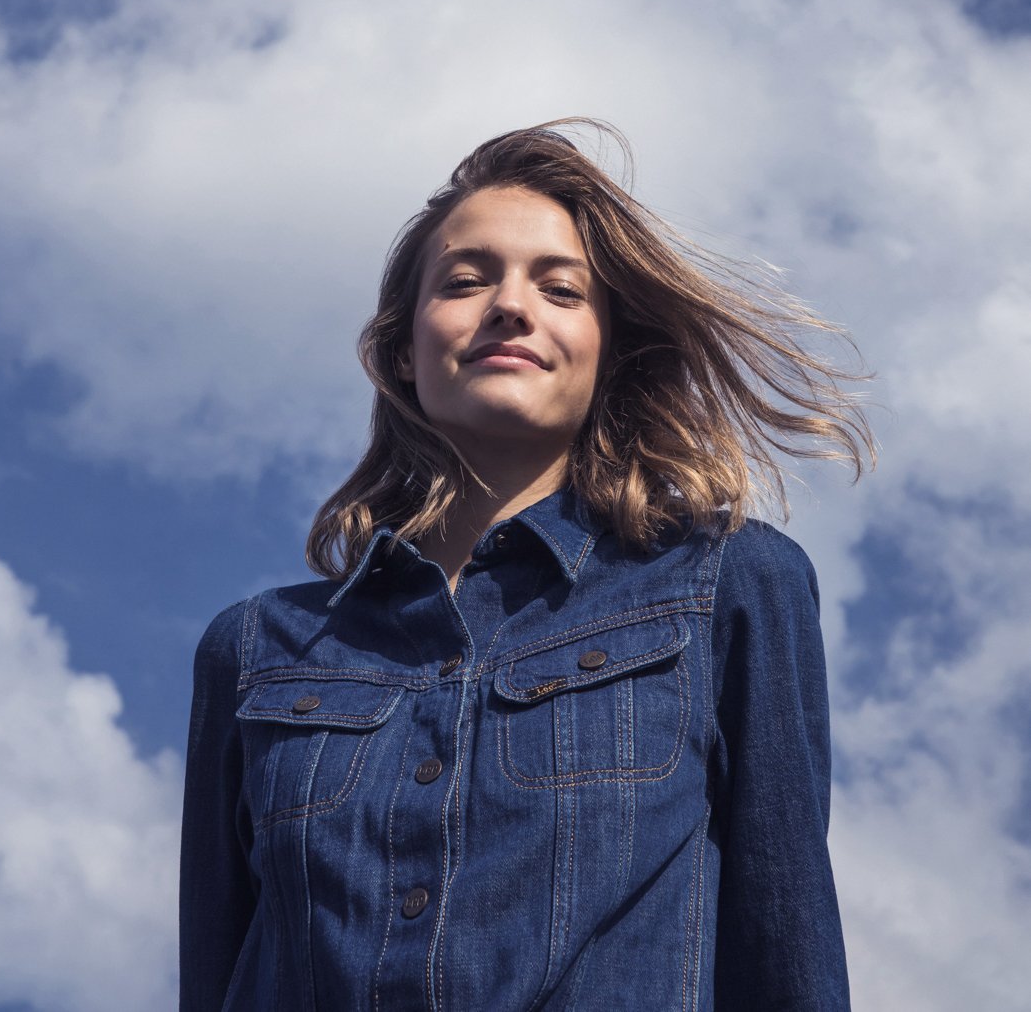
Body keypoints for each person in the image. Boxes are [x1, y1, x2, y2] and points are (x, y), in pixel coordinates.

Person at [179, 119, 875, 1012]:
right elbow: (215, 974)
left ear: (608, 353)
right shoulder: (256, 650)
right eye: (466, 281)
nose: (511, 306)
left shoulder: (732, 583)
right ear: (403, 350)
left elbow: (787, 949)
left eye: (562, 290)